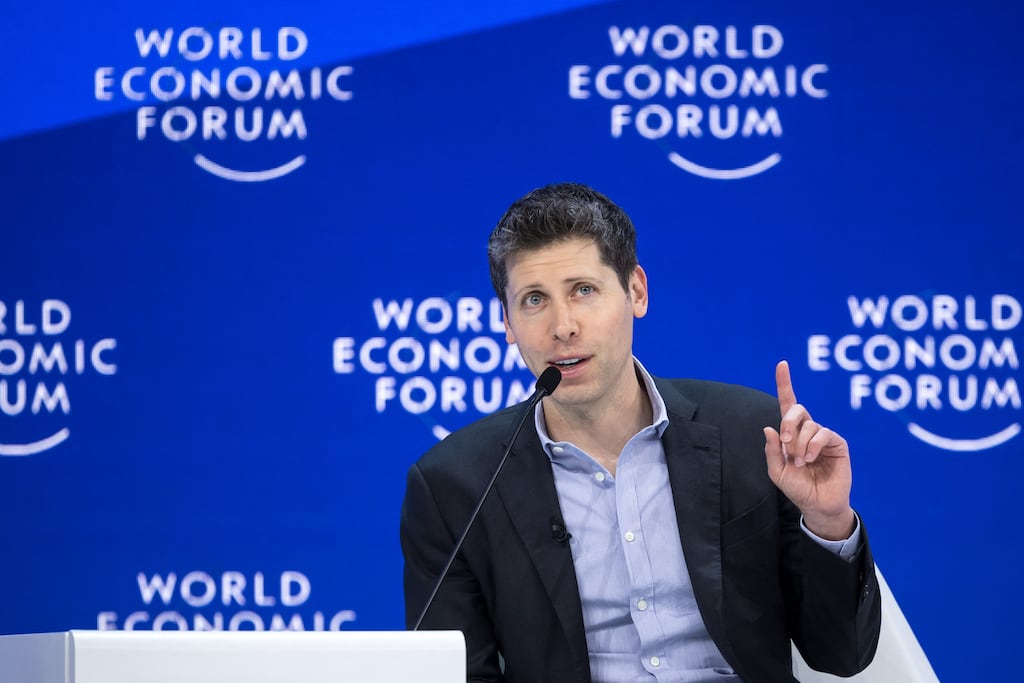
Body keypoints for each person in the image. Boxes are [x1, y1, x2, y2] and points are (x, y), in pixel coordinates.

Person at [400, 182, 881, 682]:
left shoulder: (750, 437)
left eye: (583, 290)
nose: (563, 326)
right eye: (534, 300)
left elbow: (841, 656)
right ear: (507, 321)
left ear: (636, 291)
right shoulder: (454, 486)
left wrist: (829, 523)